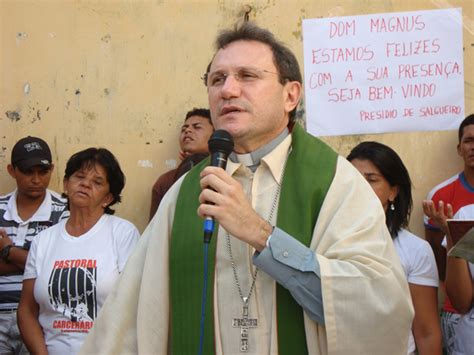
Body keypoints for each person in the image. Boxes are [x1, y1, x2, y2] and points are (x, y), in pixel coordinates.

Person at [80, 22, 413, 354]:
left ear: (290, 94)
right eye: (217, 79)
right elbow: (128, 322)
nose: (227, 90)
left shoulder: (337, 184)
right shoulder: (182, 196)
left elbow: (379, 306)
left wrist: (261, 234)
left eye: (247, 76)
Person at [17, 147, 139, 355]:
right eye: (79, 176)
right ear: (66, 184)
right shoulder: (43, 240)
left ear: (108, 198)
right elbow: (27, 310)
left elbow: (135, 306)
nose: (85, 184)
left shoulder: (123, 234)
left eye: (97, 181)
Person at [348, 141, 442, 355]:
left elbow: (426, 332)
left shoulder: (415, 250)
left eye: (371, 179)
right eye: (352, 179)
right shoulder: (326, 241)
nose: (359, 186)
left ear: (393, 191)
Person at [0, 136, 68, 354]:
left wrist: (6, 250)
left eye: (43, 171)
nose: (37, 179)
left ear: (52, 169)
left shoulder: (64, 211)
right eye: (28, 172)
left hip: (41, 318)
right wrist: (36, 261)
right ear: (12, 170)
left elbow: (60, 266)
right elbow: (45, 265)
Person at [423, 113, 474, 350]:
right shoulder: (441, 197)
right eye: (469, 140)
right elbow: (436, 254)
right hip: (459, 310)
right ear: (459, 148)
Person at [149, 108, 214, 220]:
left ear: (215, 134)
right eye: (184, 128)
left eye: (197, 127)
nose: (187, 130)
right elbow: (155, 230)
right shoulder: (165, 181)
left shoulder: (228, 173)